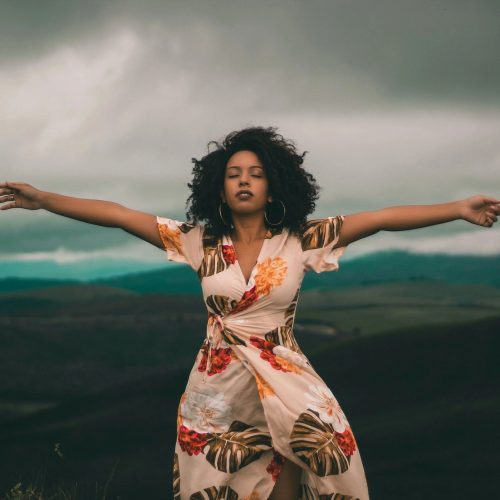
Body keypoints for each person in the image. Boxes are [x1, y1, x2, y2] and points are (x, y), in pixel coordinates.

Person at [1, 126, 498, 500]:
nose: (244, 182)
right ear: (218, 188)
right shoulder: (199, 240)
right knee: (215, 483)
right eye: (233, 175)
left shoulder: (302, 239)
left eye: (256, 175)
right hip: (216, 389)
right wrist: (43, 200)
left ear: (273, 187)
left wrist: (456, 208)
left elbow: (384, 219)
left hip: (284, 377)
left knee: (317, 458)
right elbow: (118, 214)